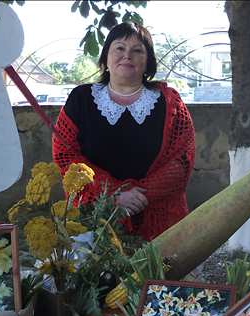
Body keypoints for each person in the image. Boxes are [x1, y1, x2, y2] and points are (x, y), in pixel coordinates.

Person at [53, 21, 196, 242]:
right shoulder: (80, 99)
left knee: (155, 275)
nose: (127, 55)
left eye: (137, 50)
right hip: (93, 220)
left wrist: (138, 196)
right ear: (106, 59)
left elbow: (183, 158)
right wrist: (111, 195)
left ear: (147, 63)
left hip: (157, 224)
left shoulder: (169, 102)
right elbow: (66, 155)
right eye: (119, 48)